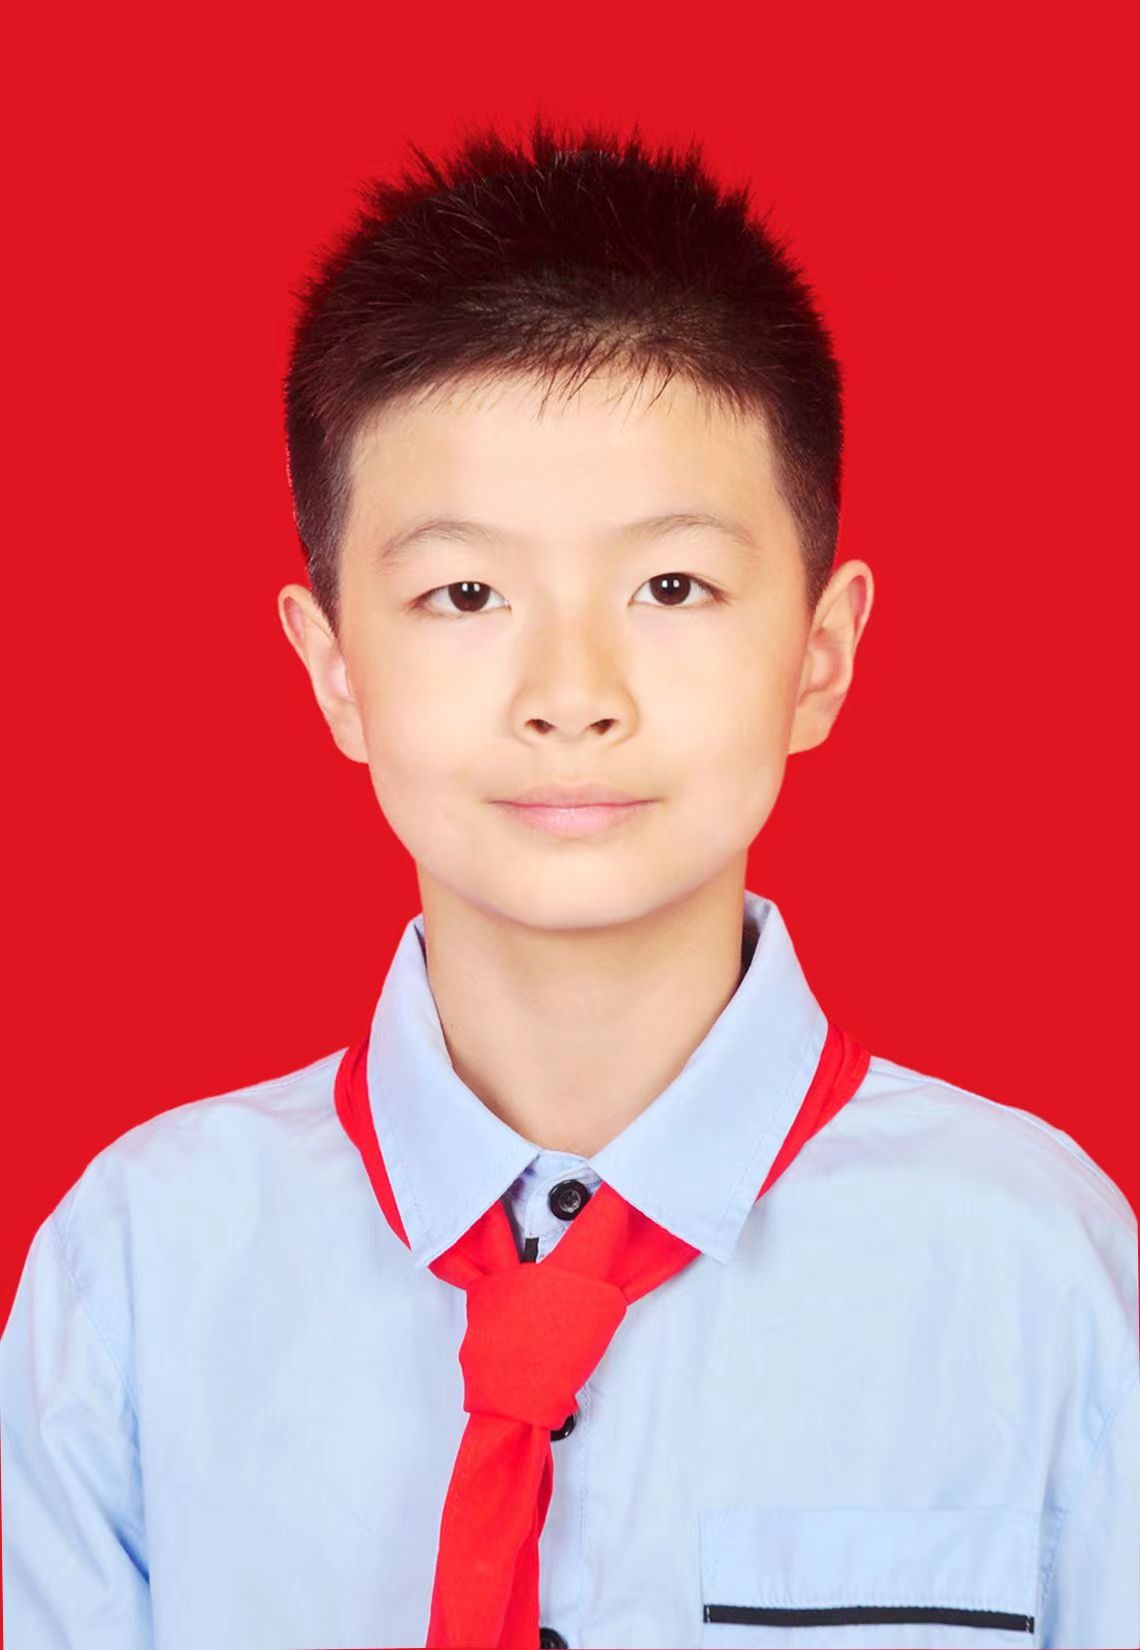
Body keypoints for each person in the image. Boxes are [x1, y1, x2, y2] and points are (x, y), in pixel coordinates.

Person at [1, 114, 1136, 1650]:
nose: (571, 694)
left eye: (672, 584)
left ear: (821, 652)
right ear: (333, 668)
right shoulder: (135, 1271)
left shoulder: (1038, 1272)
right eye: (465, 591)